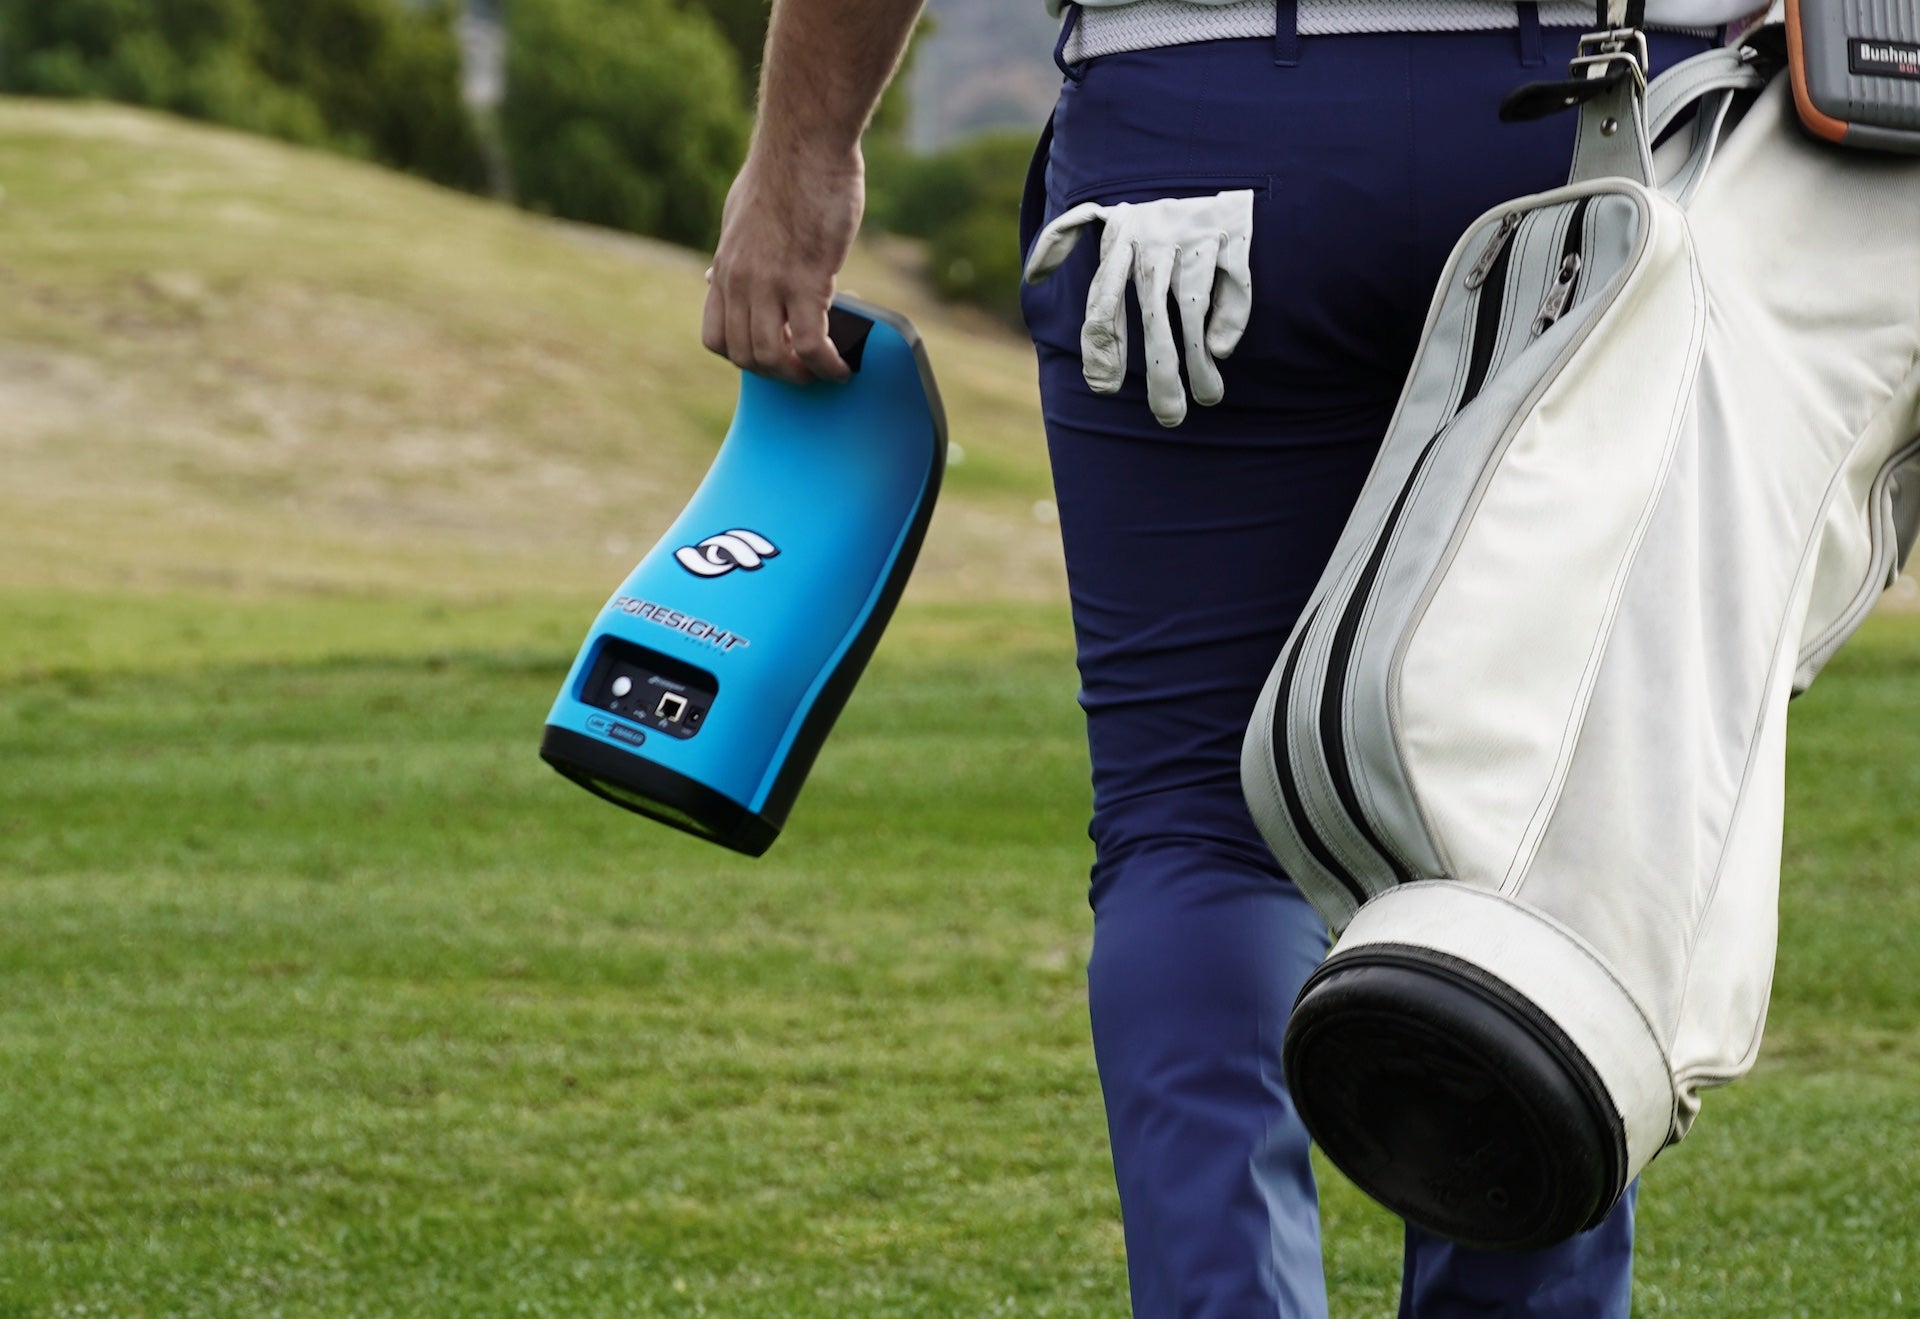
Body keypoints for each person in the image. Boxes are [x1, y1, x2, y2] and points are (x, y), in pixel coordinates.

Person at [702, 1, 1766, 1313]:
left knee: (1197, 828)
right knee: (1548, 851)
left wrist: (808, 147)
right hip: (1599, 124)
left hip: (1200, 131)